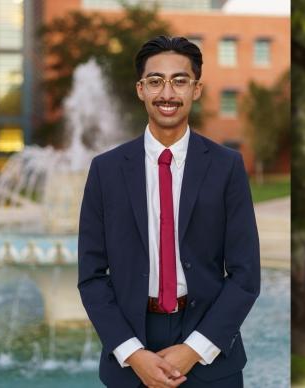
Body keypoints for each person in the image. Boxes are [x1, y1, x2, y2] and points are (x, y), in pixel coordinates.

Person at [78, 36, 260, 388]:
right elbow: (91, 275)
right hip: (130, 351)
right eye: (155, 81)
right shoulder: (106, 170)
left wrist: (194, 349)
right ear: (140, 89)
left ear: (196, 89)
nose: (167, 93)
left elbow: (245, 275)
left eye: (180, 80)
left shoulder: (227, 167)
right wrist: (132, 353)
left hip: (211, 353)